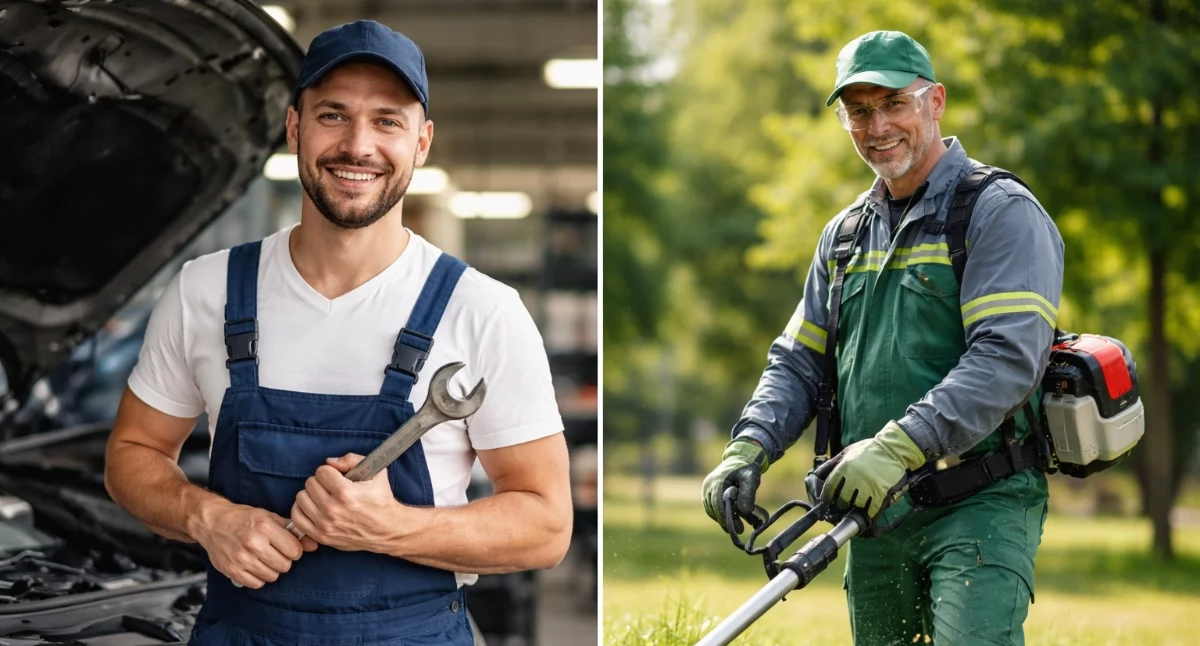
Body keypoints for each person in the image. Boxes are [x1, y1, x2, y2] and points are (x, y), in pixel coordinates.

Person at [104, 20, 572, 646]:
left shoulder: (483, 310)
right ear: (294, 126)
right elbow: (131, 455)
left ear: (422, 142)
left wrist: (387, 527)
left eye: (387, 120)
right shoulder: (206, 290)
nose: (358, 145)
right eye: (333, 115)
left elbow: (545, 526)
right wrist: (205, 515)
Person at [701, 30, 1064, 645]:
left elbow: (1006, 359)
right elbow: (798, 362)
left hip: (980, 502)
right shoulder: (844, 236)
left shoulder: (999, 212)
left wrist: (897, 447)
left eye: (894, 104)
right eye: (858, 111)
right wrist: (749, 447)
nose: (876, 127)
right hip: (872, 515)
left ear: (935, 102)